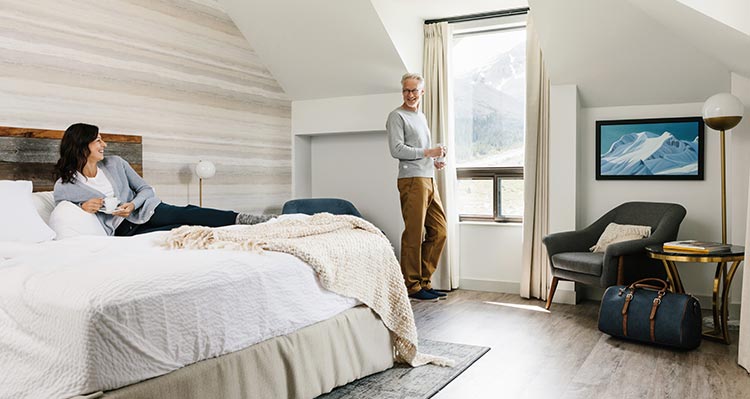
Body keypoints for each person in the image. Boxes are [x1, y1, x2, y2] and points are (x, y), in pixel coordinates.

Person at [53, 123, 272, 236]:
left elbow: (146, 189)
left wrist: (132, 204)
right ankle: (234, 235)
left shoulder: (115, 163)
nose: (104, 145)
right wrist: (83, 206)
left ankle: (249, 220)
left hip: (149, 209)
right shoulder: (65, 187)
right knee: (182, 229)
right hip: (124, 231)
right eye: (98, 140)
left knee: (190, 212)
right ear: (82, 145)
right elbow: (65, 212)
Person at [386, 73, 448, 300]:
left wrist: (435, 160)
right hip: (412, 180)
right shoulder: (397, 116)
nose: (410, 95)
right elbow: (397, 150)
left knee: (439, 231)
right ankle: (412, 286)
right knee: (413, 234)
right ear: (402, 92)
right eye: (406, 90)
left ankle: (424, 281)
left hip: (429, 178)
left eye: (414, 90)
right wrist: (428, 152)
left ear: (423, 92)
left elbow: (422, 150)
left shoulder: (421, 117)